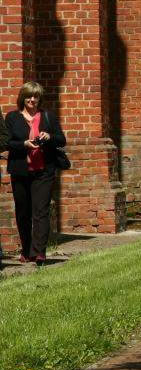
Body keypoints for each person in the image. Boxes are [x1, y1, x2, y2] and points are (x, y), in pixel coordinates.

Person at [5, 82, 64, 265]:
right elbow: (6, 142)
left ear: (40, 98)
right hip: (20, 171)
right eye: (29, 96)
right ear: (23, 98)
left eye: (36, 96)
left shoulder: (48, 116)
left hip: (44, 171)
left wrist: (50, 137)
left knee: (41, 211)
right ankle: (26, 250)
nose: (32, 99)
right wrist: (24, 144)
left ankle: (39, 253)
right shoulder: (12, 117)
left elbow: (62, 140)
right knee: (23, 212)